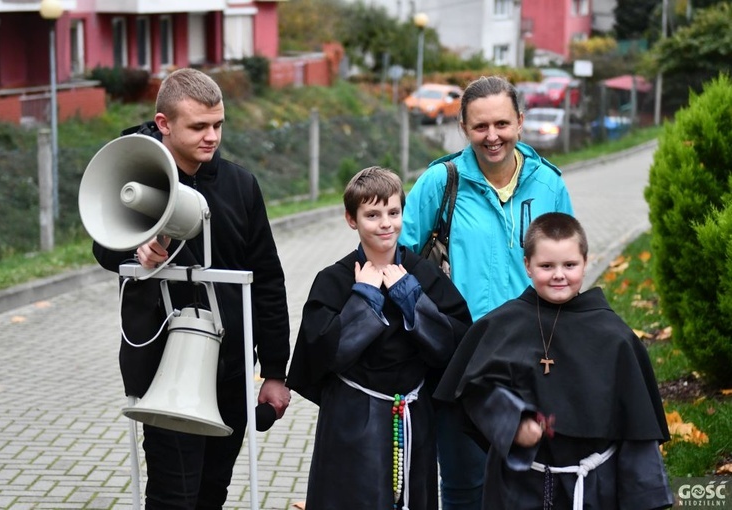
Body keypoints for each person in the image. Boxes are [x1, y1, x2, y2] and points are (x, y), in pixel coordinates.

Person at [92, 68, 291, 509]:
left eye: (218, 124)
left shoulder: (240, 185)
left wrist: (275, 371)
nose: (212, 136)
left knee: (211, 492)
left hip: (230, 370)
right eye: (199, 126)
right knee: (172, 495)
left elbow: (268, 281)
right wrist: (136, 253)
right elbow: (103, 248)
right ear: (164, 124)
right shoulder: (135, 176)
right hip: (165, 368)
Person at [399, 75, 575, 509]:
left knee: (536, 481)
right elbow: (397, 258)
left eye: (501, 124)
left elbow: (567, 267)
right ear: (463, 127)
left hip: (533, 355)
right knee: (464, 487)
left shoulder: (549, 183)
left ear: (519, 121)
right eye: (480, 127)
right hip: (460, 360)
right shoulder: (441, 182)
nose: (492, 136)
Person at [434, 212, 673, 509]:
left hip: (592, 488)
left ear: (586, 263)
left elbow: (636, 427)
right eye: (547, 266)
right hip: (519, 487)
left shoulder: (615, 337)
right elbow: (476, 390)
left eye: (569, 265)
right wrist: (514, 421)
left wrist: (646, 497)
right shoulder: (501, 326)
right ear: (527, 266)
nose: (559, 274)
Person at [286, 166, 472, 509]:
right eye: (372, 214)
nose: (386, 223)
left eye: (393, 212)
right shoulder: (333, 280)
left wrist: (410, 297)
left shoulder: (423, 273)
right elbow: (322, 354)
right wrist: (366, 299)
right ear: (351, 219)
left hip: (412, 415)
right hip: (352, 416)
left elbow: (453, 345)